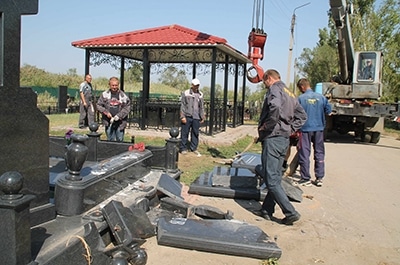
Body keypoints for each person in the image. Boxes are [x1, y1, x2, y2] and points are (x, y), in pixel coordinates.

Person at [256, 69, 307, 225]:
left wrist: (267, 126)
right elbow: (302, 116)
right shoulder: (290, 93)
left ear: (269, 79)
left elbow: (275, 107)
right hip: (283, 140)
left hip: (273, 138)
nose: (265, 85)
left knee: (270, 179)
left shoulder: (275, 89)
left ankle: (290, 212)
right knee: (276, 177)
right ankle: (267, 209)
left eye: (265, 82)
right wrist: (290, 129)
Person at [296, 78, 332, 187]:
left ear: (302, 87)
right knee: (319, 152)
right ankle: (319, 177)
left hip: (305, 129)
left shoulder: (300, 99)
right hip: (319, 129)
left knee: (304, 153)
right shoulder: (321, 98)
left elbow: (295, 114)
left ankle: (305, 178)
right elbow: (329, 112)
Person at [96, 77, 131, 142]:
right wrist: (106, 112)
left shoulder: (123, 96)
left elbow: (127, 108)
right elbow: (98, 105)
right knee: (110, 141)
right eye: (113, 85)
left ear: (118, 85)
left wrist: (119, 116)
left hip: (120, 123)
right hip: (108, 122)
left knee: (120, 141)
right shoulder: (104, 95)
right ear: (109, 85)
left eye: (116, 85)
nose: (114, 87)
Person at [179, 78, 205, 156]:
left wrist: (202, 115)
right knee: (184, 132)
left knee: (195, 133)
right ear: (192, 85)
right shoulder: (186, 93)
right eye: (196, 85)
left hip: (196, 117)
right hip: (187, 116)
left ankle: (193, 148)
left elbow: (202, 106)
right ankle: (183, 148)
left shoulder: (200, 94)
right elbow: (183, 105)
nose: (197, 87)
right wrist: (182, 116)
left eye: (198, 85)